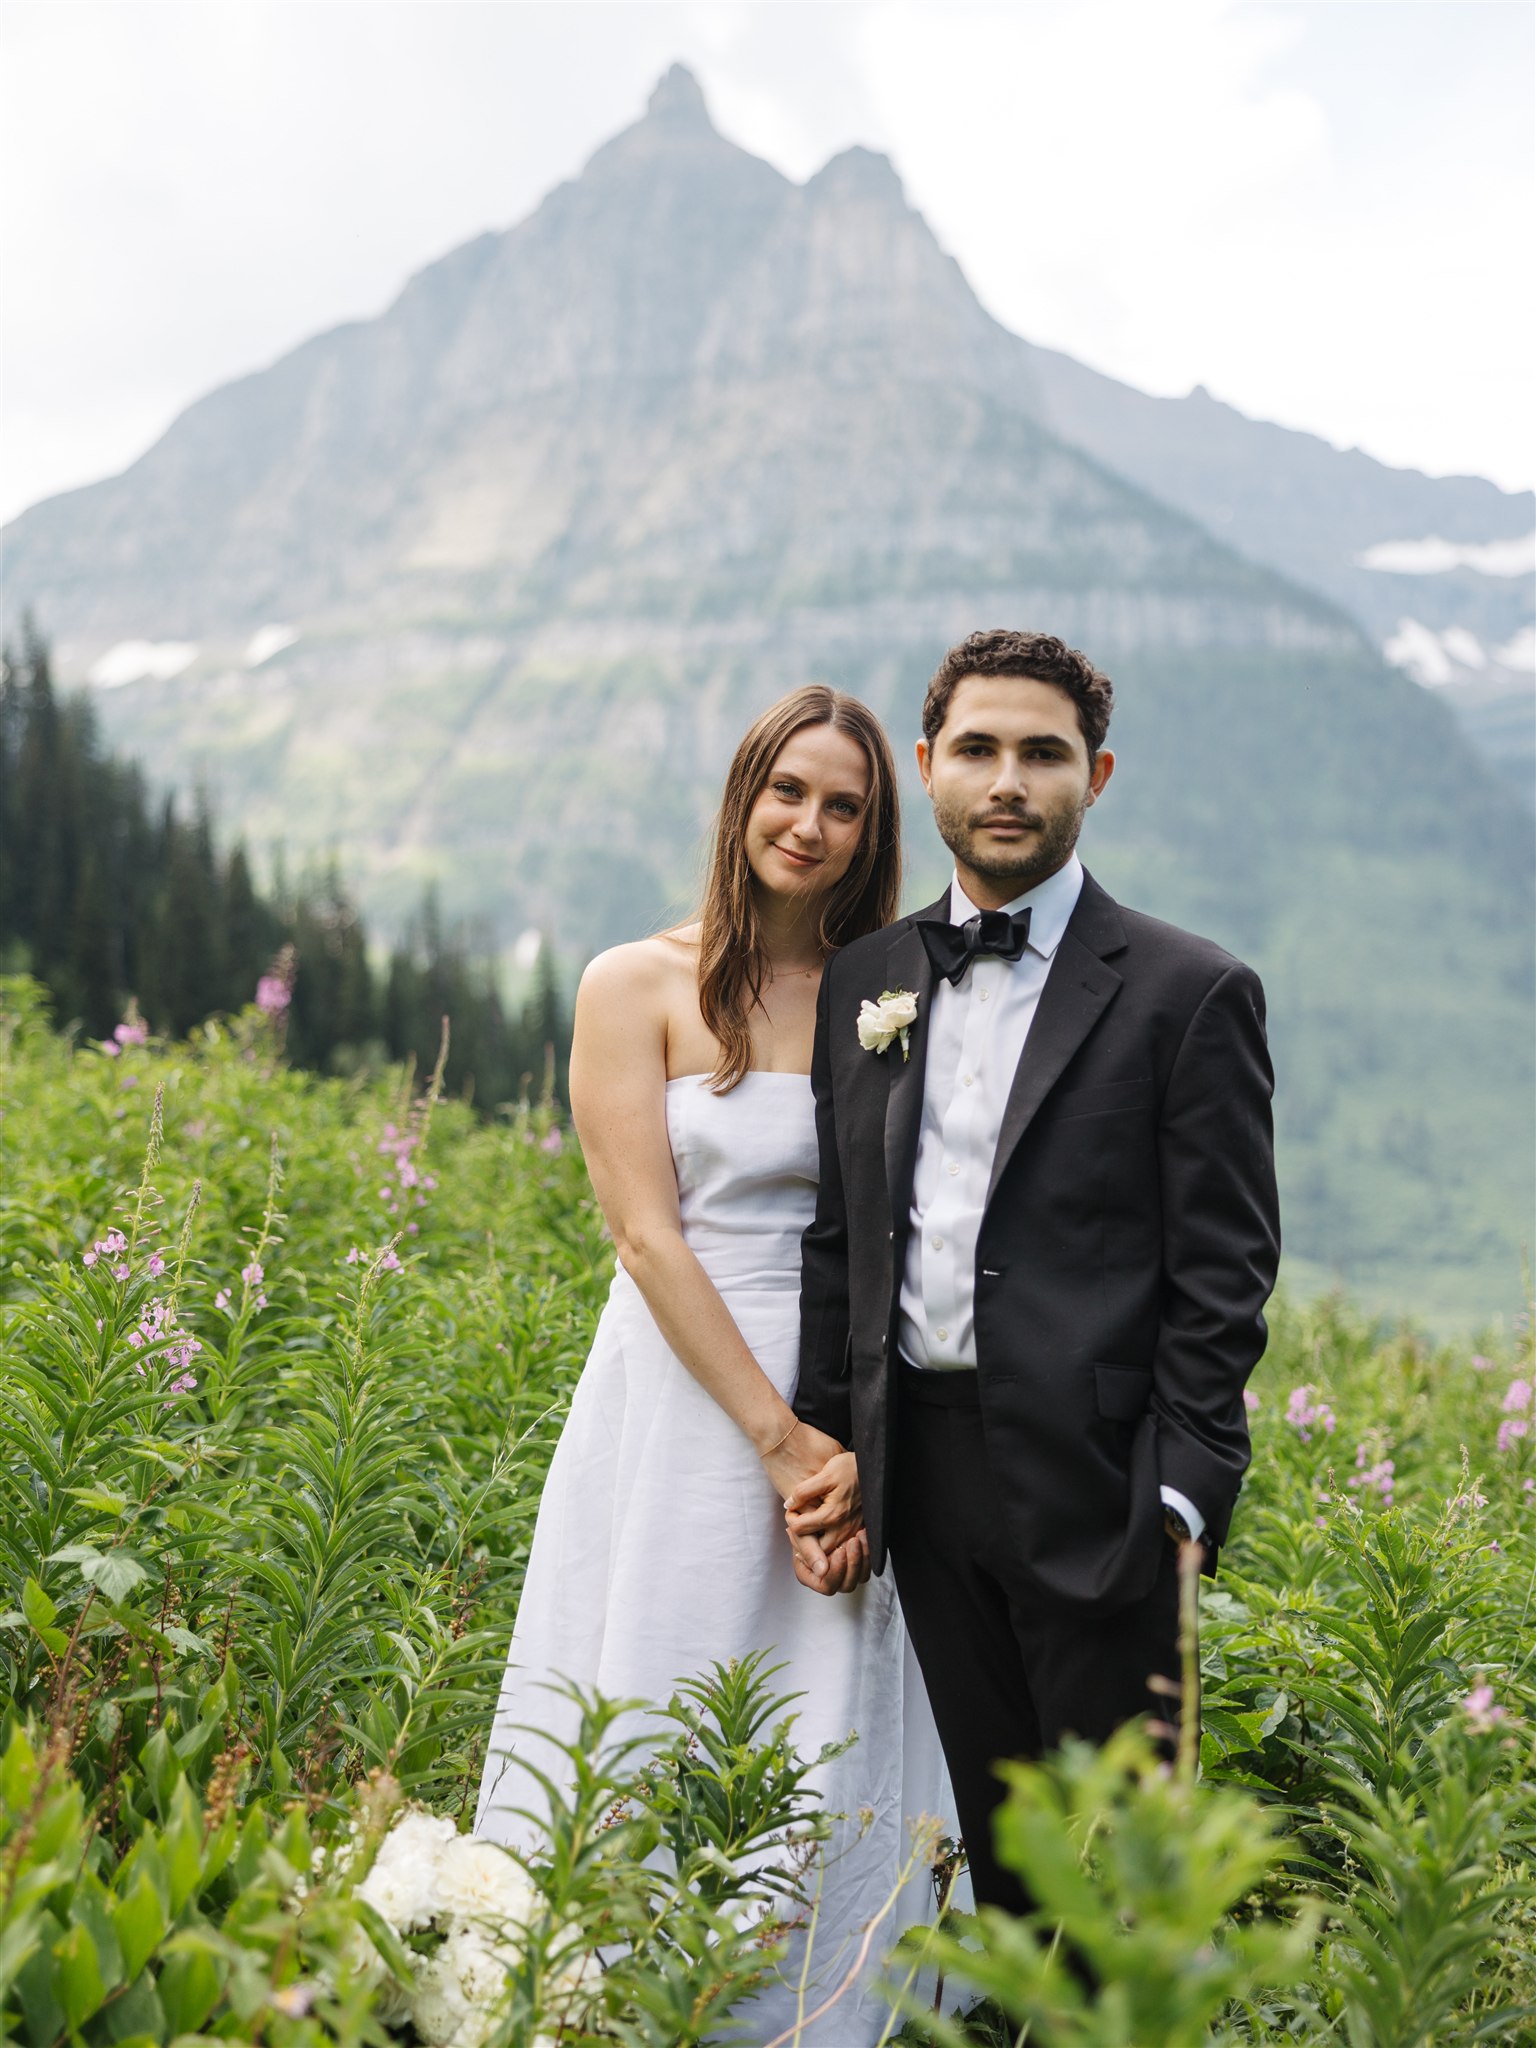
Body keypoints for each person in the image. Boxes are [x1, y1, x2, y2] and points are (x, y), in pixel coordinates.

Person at [474, 685, 958, 2043]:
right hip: (688, 1391)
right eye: (786, 791)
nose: (809, 825)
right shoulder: (635, 984)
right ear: (742, 799)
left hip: (850, 1398)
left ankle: (811, 2011)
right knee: (660, 1661)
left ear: (874, 834)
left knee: (822, 1696)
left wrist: (861, 1444)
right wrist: (780, 1440)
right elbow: (643, 1235)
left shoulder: (901, 992)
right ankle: (604, 1992)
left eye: (845, 805)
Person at [787, 629, 1280, 1914]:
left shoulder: (1192, 990)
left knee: (1120, 1870)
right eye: (981, 749)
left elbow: (1226, 1273)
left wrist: (1182, 1498)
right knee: (998, 1858)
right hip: (923, 1483)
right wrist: (830, 1448)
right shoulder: (869, 977)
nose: (1009, 779)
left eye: (1043, 753)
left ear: (1096, 775)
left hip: (1103, 1488)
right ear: (930, 766)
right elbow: (843, 1239)